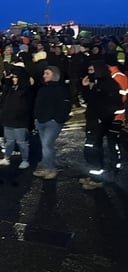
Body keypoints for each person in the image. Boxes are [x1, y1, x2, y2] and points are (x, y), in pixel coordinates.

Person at [80, 60, 122, 189]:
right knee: (92, 148)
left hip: (100, 121)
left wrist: (102, 118)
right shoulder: (97, 83)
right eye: (89, 70)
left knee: (95, 148)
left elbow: (113, 103)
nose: (89, 73)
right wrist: (85, 87)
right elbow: (90, 100)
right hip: (94, 120)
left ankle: (97, 178)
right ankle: (94, 174)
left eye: (92, 70)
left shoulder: (108, 84)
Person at [32, 65, 72, 179]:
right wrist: (36, 117)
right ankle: (48, 166)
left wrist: (58, 119)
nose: (44, 76)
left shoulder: (61, 88)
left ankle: (50, 168)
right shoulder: (43, 88)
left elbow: (65, 105)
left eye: (47, 73)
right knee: (46, 145)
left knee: (47, 145)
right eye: (44, 73)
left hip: (52, 122)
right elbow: (38, 104)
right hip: (41, 121)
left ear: (54, 75)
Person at [0, 64, 33, 169]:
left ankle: (25, 160)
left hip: (20, 120)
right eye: (13, 77)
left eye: (15, 77)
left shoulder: (26, 90)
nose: (13, 79)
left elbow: (26, 105)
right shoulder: (10, 88)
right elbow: (4, 99)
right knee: (9, 141)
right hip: (9, 118)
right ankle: (6, 158)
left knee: (21, 142)